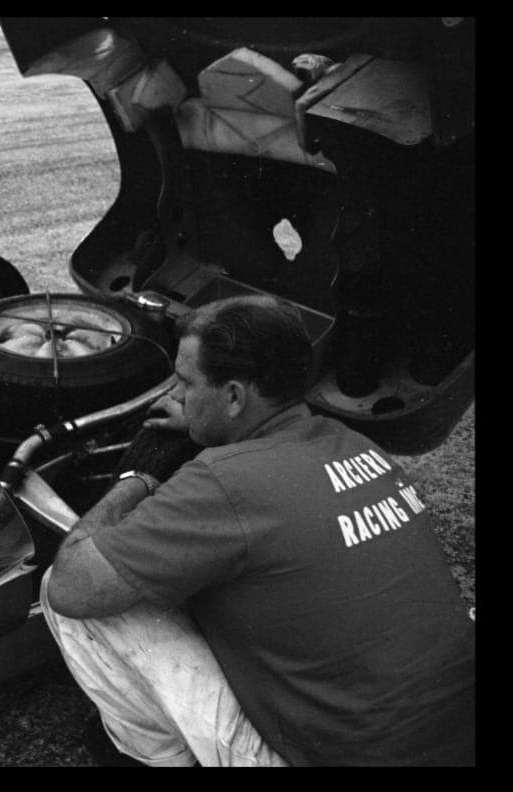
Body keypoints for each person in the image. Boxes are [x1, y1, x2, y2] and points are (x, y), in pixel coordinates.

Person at [42, 294, 475, 767]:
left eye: (186, 383)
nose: (177, 397)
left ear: (233, 397)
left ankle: (153, 760)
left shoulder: (222, 483)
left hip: (335, 757)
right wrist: (208, 423)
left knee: (68, 592)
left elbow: (73, 587)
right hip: (449, 738)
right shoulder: (354, 444)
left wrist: (138, 478)